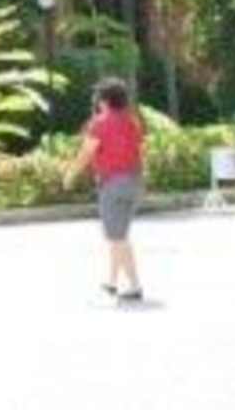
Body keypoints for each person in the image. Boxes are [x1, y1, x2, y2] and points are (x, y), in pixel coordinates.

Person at [64, 77, 146, 303]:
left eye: (98, 97)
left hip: (113, 184)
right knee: (120, 235)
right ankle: (111, 282)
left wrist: (70, 175)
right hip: (134, 181)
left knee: (117, 237)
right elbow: (140, 151)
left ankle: (135, 286)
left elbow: (86, 154)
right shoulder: (132, 121)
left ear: (105, 100)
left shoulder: (99, 123)